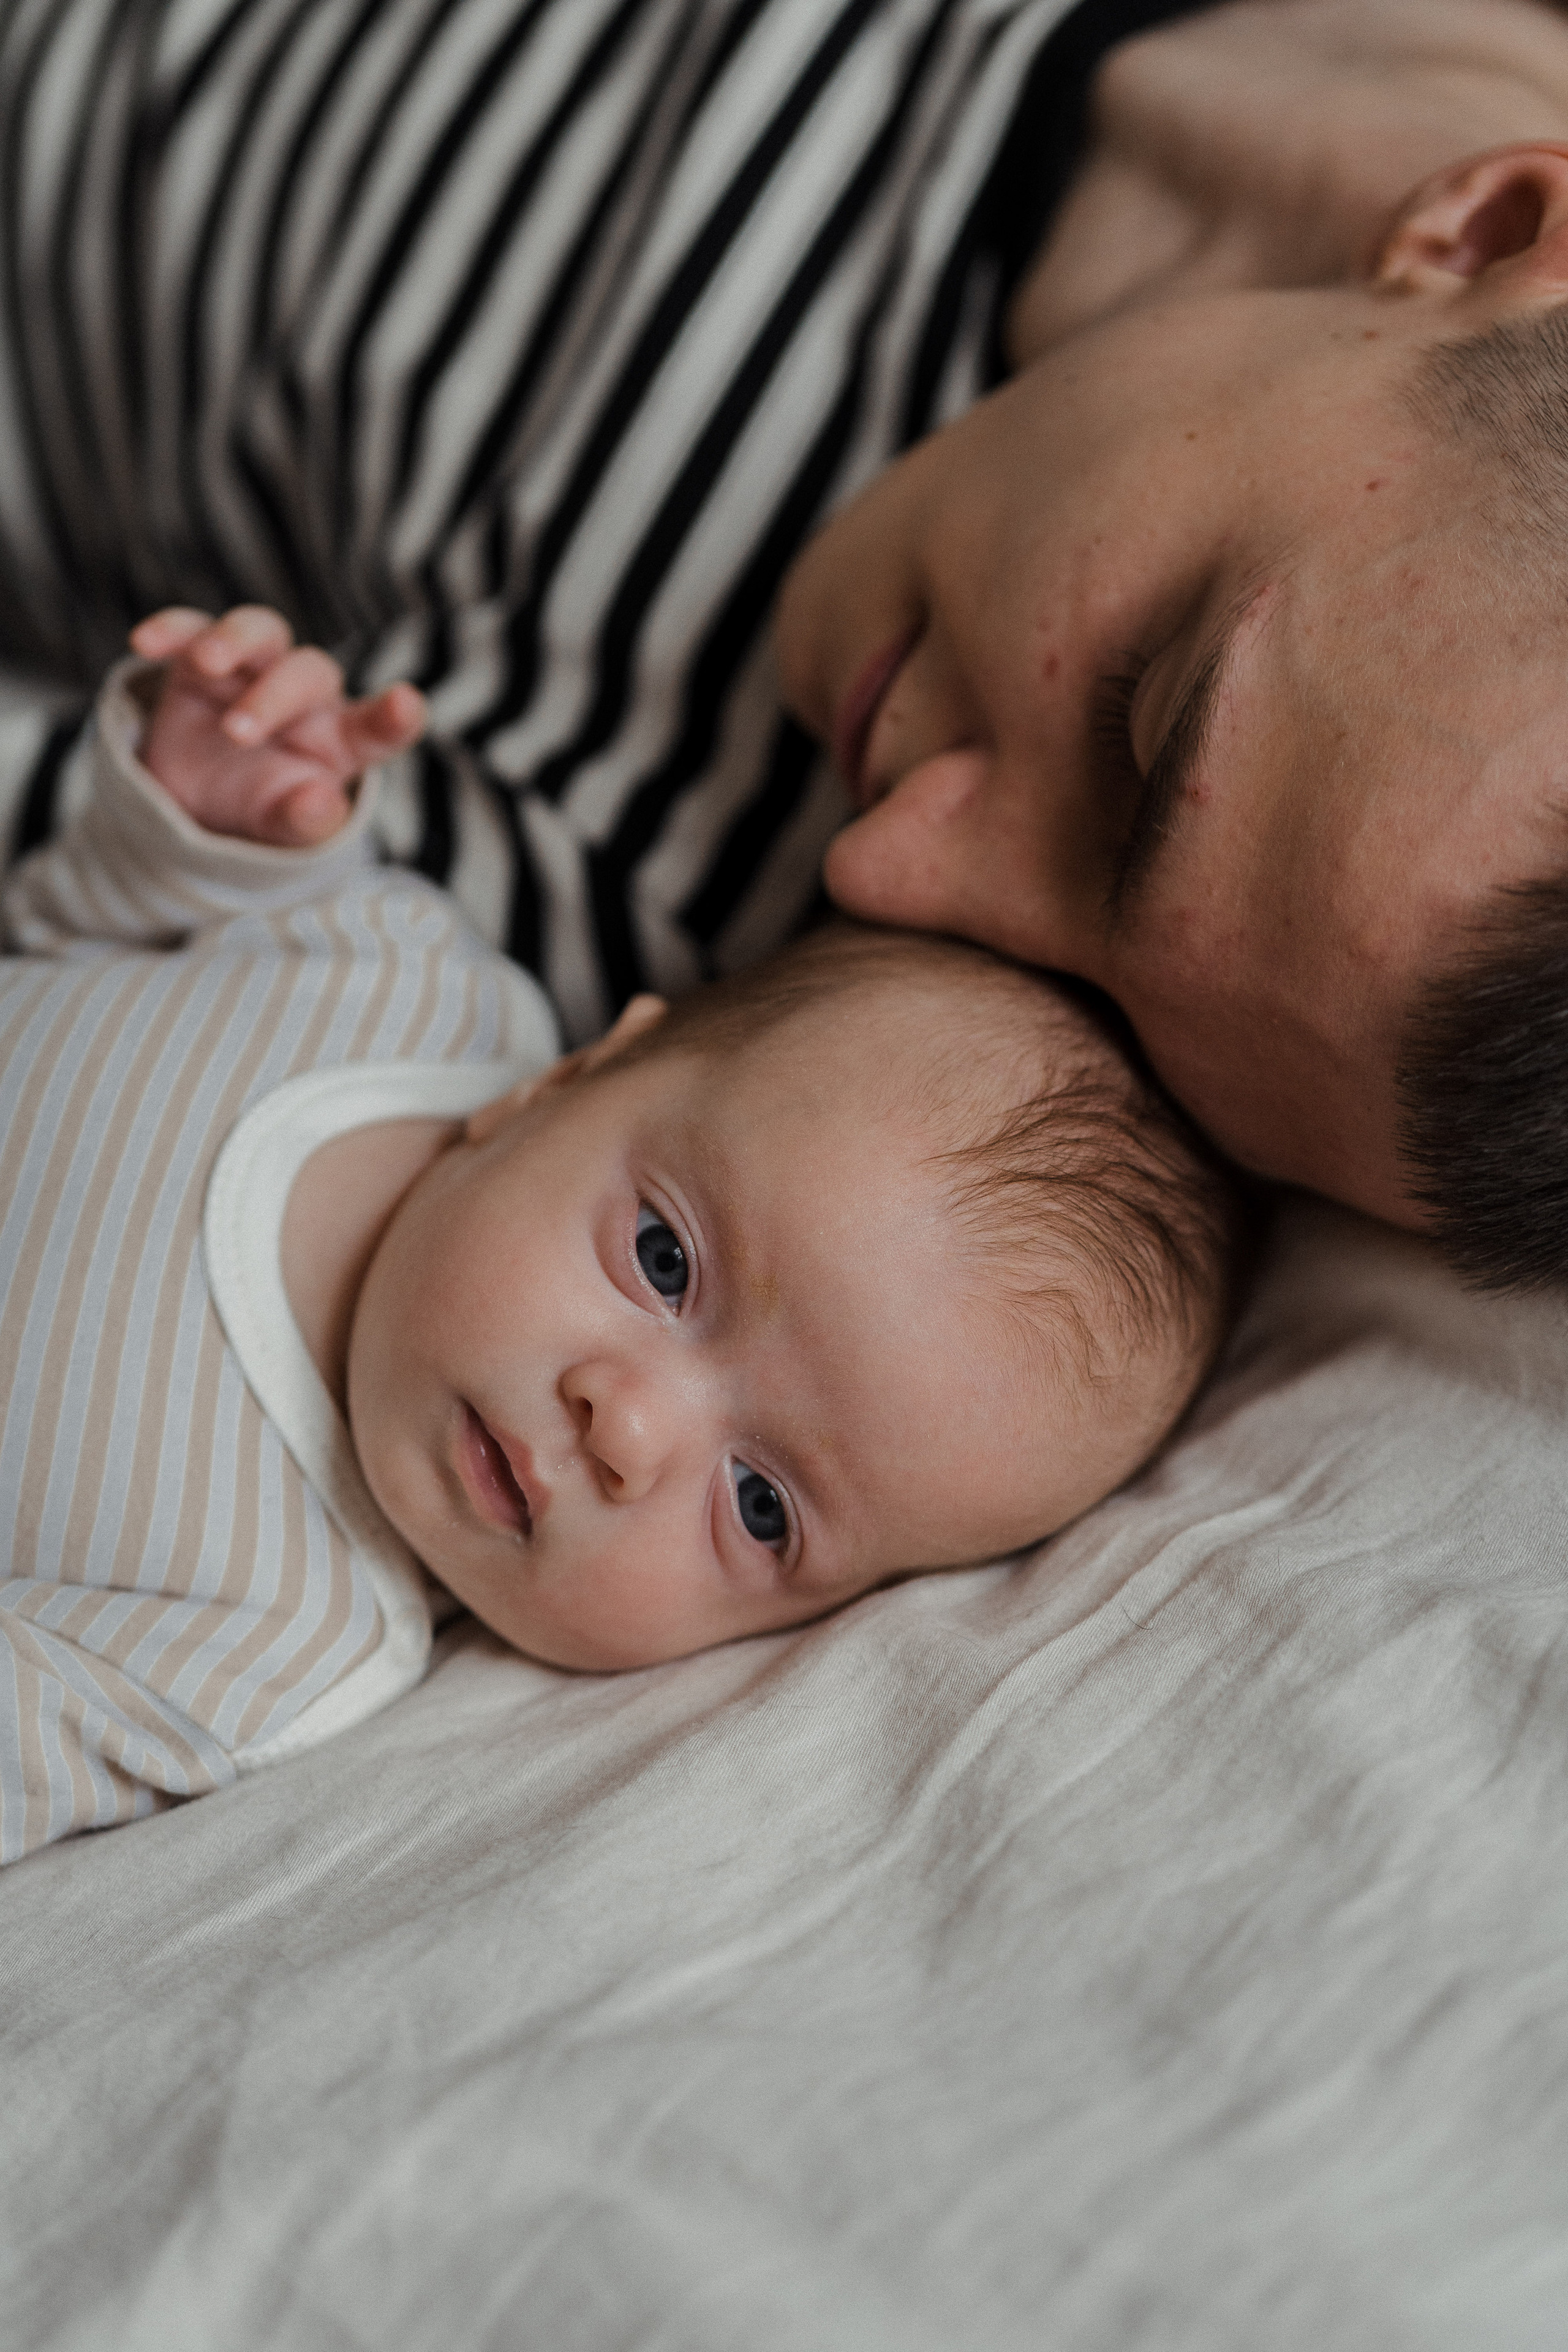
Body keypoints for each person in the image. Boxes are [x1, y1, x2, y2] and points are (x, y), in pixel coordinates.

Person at [2, 0, 1566, 1282]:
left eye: (1121, 1032)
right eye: (1139, 727)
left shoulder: (616, 887)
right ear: (1478, 225)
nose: (885, 869)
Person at [0, 605, 1245, 1863]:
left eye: (760, 1509)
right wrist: (208, 804)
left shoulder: (264, 1640)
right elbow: (81, 915)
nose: (628, 1433)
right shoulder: (397, 979)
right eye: (663, 1263)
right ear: (569, 1076)